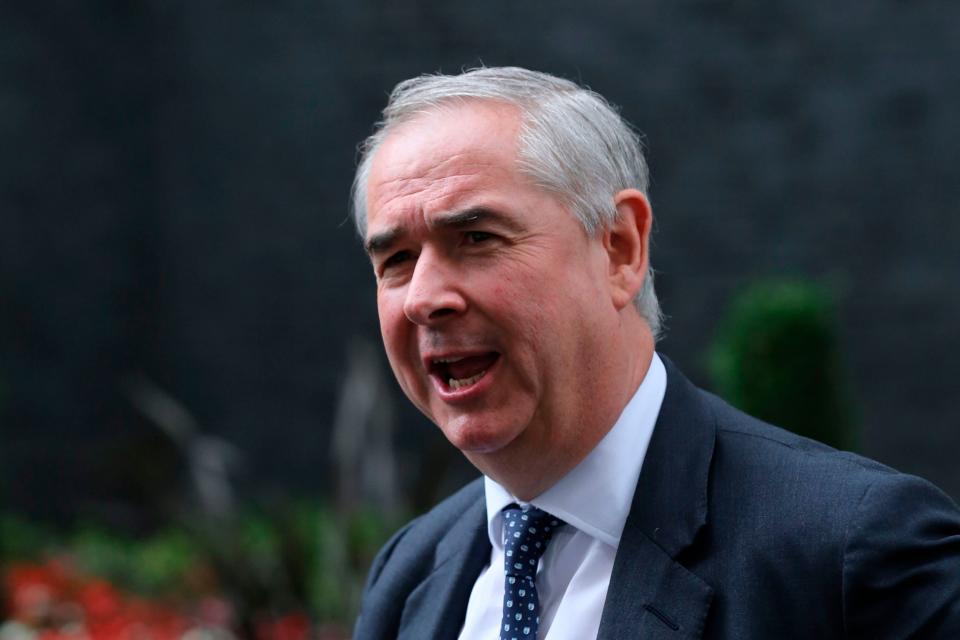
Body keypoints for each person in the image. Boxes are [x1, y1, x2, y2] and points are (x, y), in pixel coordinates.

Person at [349, 67, 960, 639]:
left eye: (477, 238)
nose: (423, 299)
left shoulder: (856, 553)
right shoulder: (409, 578)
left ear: (619, 248)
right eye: (396, 260)